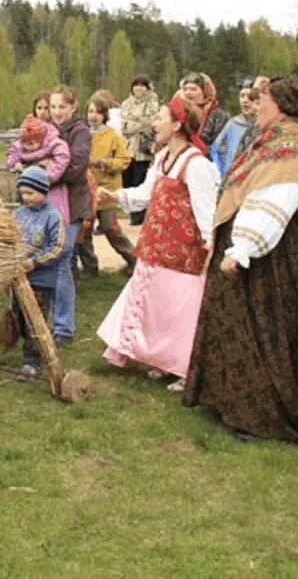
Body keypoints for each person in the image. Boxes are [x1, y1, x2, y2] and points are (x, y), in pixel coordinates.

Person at [183, 77, 298, 444]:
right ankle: (236, 401)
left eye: (265, 100)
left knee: (267, 328)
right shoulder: (278, 140)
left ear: (284, 106)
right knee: (254, 326)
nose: (257, 106)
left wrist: (242, 248)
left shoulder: (291, 148)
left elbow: (274, 202)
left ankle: (265, 413)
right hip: (273, 254)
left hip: (273, 257)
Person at [97, 96, 219, 392]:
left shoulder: (196, 164)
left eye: (161, 117)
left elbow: (206, 212)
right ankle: (164, 362)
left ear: (177, 125)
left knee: (181, 311)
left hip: (183, 252)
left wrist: (209, 248)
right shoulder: (163, 159)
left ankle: (185, 368)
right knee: (158, 307)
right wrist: (115, 196)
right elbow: (144, 194)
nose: (154, 123)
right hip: (157, 246)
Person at [11, 165, 65, 380]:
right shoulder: (17, 214)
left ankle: (32, 361)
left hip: (41, 279)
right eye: (23, 193)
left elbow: (58, 247)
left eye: (30, 193)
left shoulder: (53, 217)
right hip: (18, 278)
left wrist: (35, 262)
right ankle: (30, 347)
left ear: (43, 191)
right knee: (20, 316)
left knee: (36, 318)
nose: (26, 197)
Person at [47, 85, 90, 348]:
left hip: (73, 206)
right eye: (53, 107)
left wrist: (44, 174)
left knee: (62, 261)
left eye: (61, 106)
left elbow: (75, 167)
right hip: (49, 206)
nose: (56, 112)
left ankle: (64, 326)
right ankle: (45, 321)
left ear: (73, 107)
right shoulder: (48, 130)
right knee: (47, 263)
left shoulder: (81, 132)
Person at [82, 92, 136, 274]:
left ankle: (133, 259)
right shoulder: (82, 134)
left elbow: (124, 159)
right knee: (85, 231)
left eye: (97, 112)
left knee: (109, 227)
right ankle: (90, 267)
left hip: (107, 190)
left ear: (104, 115)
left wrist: (104, 163)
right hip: (86, 191)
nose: (93, 116)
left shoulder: (112, 135)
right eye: (90, 111)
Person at [5, 113, 70, 224]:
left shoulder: (53, 145)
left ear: (41, 140)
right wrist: (15, 164)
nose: (27, 146)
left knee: (53, 213)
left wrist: (48, 175)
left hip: (50, 188)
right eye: (24, 143)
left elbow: (62, 156)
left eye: (31, 143)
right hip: (29, 186)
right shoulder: (20, 146)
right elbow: (12, 153)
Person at [119, 76, 159, 226]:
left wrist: (135, 123)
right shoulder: (126, 103)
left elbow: (151, 122)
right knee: (127, 180)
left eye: (143, 85)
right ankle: (132, 213)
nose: (139, 88)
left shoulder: (153, 103)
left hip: (143, 150)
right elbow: (124, 125)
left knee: (139, 180)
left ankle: (140, 215)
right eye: (136, 85)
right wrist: (139, 122)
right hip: (127, 148)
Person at [211, 79, 260, 176]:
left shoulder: (263, 126)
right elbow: (216, 149)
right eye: (242, 96)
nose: (245, 100)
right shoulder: (233, 123)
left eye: (250, 97)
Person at [181, 72, 228, 147]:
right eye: (185, 89)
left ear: (204, 92)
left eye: (193, 89)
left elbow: (220, 147)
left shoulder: (218, 115)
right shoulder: (181, 114)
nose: (188, 93)